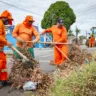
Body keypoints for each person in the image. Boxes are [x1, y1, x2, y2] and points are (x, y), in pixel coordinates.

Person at [0, 10, 13, 88]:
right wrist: (6, 42)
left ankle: (3, 80)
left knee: (3, 66)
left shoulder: (2, 24)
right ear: (4, 18)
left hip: (1, 50)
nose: (8, 22)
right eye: (8, 20)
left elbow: (2, 37)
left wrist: (6, 42)